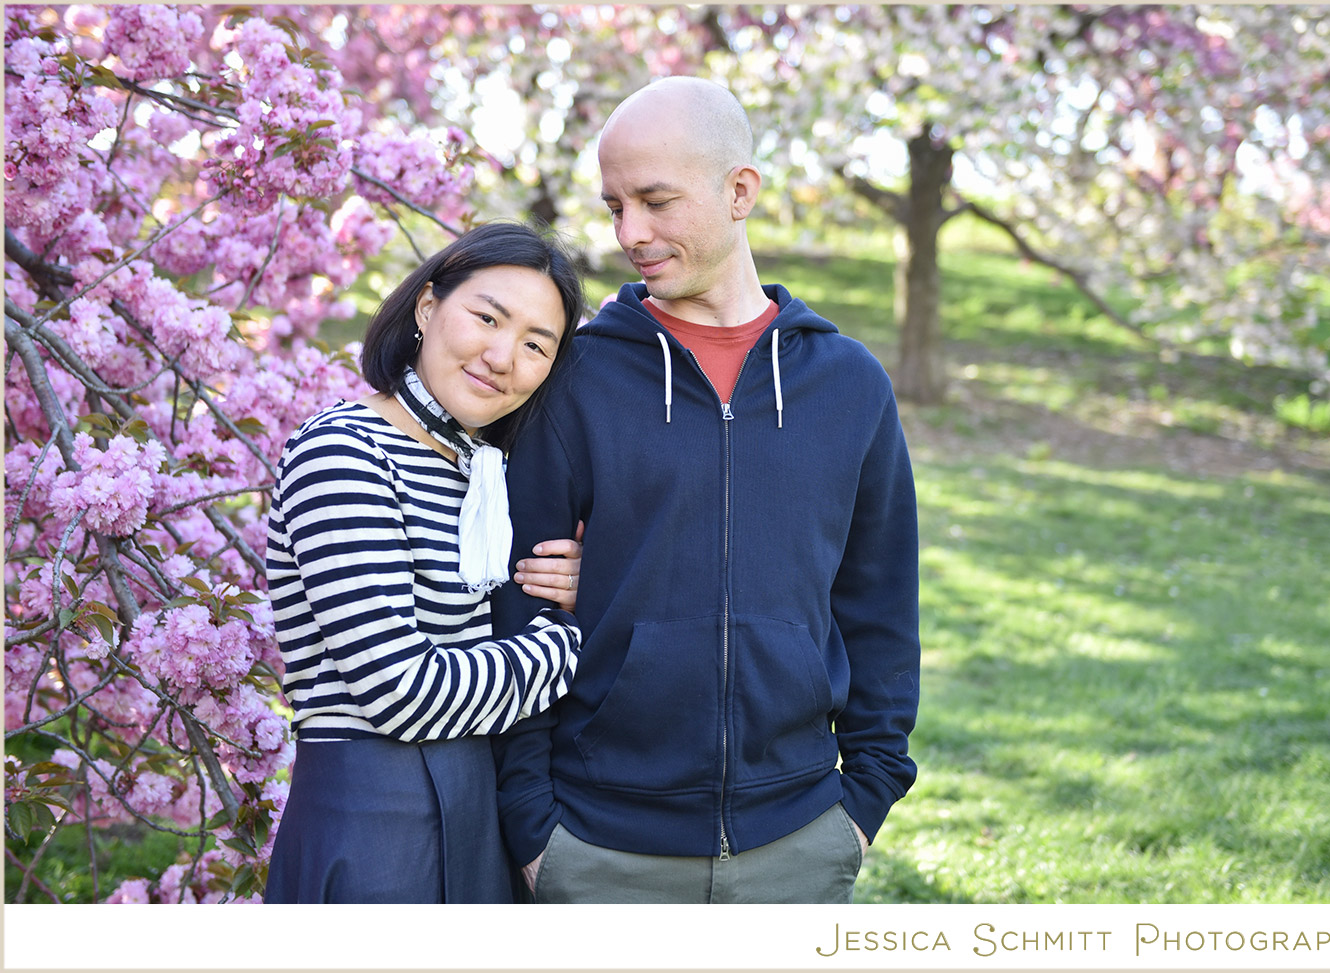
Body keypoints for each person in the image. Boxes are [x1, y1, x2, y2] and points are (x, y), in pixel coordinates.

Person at [492, 77, 921, 904]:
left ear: (740, 192)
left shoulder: (849, 385)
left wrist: (865, 798)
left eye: (656, 201)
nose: (630, 233)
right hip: (597, 844)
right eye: (615, 206)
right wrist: (535, 827)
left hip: (798, 839)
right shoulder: (575, 378)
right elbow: (518, 605)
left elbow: (880, 607)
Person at [263, 221, 590, 903]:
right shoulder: (345, 451)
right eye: (487, 318)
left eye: (536, 345)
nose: (501, 356)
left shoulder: (483, 471)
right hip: (374, 813)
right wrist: (574, 638)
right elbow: (400, 690)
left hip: (477, 807)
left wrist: (573, 582)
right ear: (427, 305)